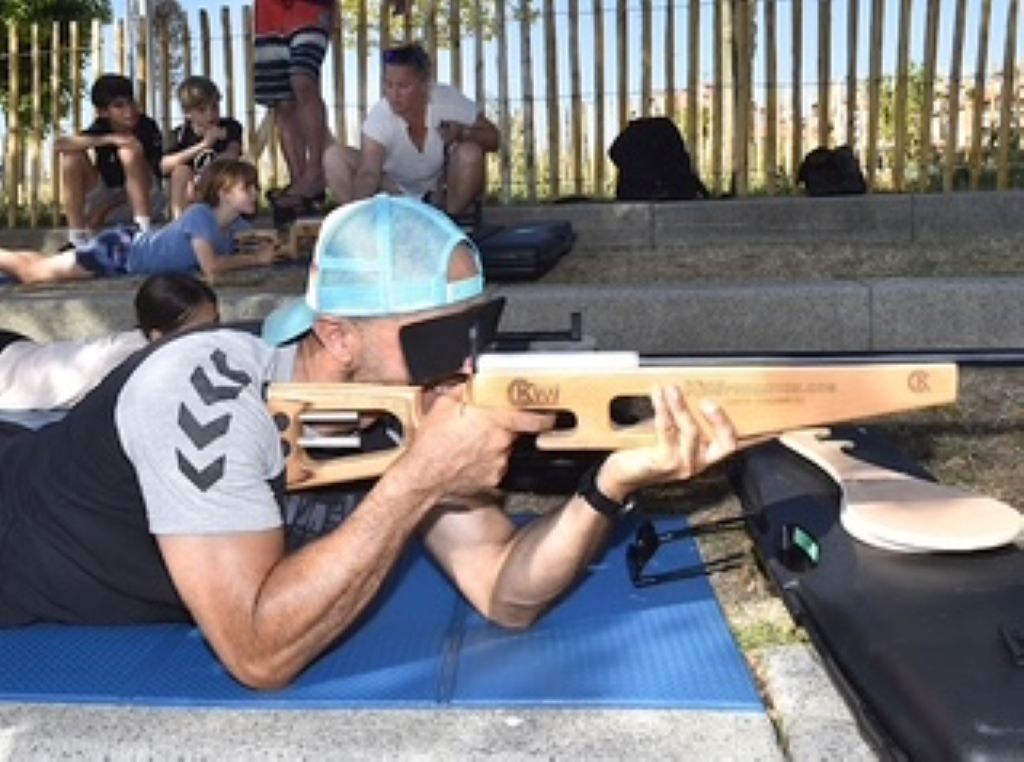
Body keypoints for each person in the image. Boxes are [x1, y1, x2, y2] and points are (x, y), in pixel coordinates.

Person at [0, 195, 738, 691]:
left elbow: (505, 592)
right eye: (439, 339)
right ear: (338, 336)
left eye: (477, 328)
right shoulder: (205, 394)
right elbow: (258, 654)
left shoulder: (400, 405)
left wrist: (607, 486)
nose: (467, 363)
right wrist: (418, 480)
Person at [0, 158, 289, 285]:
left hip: (126, 252)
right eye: (247, 188)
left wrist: (283, 247)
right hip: (120, 252)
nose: (256, 193)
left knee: (45, 264)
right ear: (223, 192)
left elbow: (262, 241)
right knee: (34, 274)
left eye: (255, 187)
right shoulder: (200, 215)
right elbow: (211, 266)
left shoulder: (235, 225)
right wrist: (257, 260)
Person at [323, 42, 500, 220]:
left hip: (443, 191)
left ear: (424, 85)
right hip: (395, 191)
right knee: (334, 157)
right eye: (389, 85)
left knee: (470, 152)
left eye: (403, 86)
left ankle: (451, 222)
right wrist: (357, 211)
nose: (394, 95)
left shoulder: (447, 101)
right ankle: (362, 224)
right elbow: (369, 173)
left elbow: (494, 139)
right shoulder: (380, 117)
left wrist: (463, 133)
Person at [0, 274, 219, 411]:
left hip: (22, 354)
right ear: (157, 336)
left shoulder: (154, 348)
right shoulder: (132, 363)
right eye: (200, 330)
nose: (214, 333)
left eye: (215, 323)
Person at [55, 74, 165, 245]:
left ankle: (143, 231)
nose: (129, 111)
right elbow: (59, 145)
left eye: (130, 102)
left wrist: (104, 210)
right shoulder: (101, 127)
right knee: (72, 157)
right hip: (107, 198)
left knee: (128, 151)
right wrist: (110, 139)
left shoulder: (146, 127)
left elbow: (151, 176)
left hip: (145, 201)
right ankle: (78, 237)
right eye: (119, 106)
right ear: (103, 112)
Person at [254, 0, 333, 224]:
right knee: (282, 99)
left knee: (303, 78)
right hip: (270, 14)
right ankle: (299, 182)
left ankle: (315, 172)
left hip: (311, 9)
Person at [161, 76, 245, 219]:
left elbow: (232, 154)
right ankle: (181, 223)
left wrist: (202, 178)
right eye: (202, 110)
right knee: (180, 172)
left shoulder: (230, 127)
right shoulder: (180, 135)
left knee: (232, 172)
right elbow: (164, 166)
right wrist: (204, 144)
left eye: (214, 107)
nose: (210, 114)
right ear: (187, 113)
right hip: (190, 193)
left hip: (217, 186)